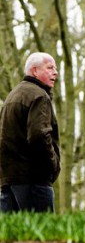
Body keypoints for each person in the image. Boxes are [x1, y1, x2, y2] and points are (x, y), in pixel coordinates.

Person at [0, 52, 60, 213]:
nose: (56, 72)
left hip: (9, 179)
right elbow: (39, 135)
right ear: (34, 71)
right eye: (50, 68)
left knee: (11, 235)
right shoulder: (39, 96)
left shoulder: (12, 96)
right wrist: (52, 165)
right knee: (42, 234)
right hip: (33, 180)